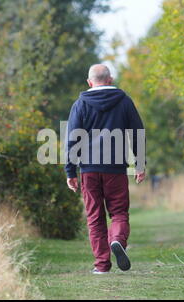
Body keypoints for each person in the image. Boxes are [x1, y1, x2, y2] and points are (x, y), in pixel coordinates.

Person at [65, 64, 146, 274]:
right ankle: (117, 240)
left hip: (89, 169)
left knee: (95, 217)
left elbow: (72, 138)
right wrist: (140, 163)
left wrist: (70, 171)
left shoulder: (80, 104)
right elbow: (137, 132)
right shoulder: (124, 101)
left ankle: (101, 265)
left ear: (89, 82)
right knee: (118, 213)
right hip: (115, 168)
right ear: (110, 79)